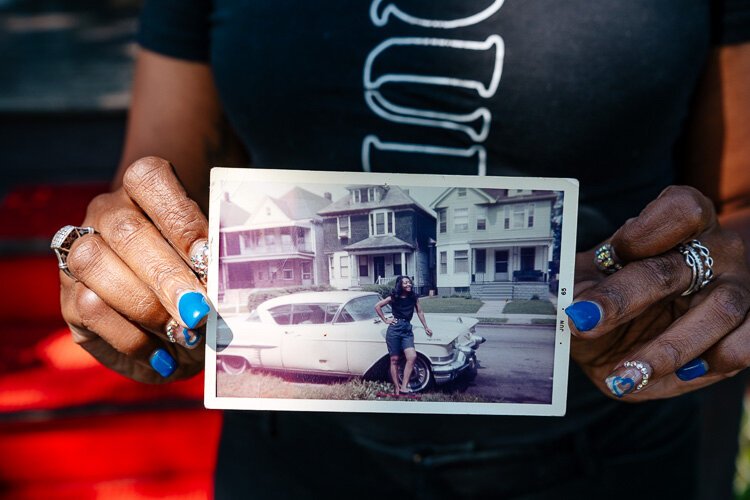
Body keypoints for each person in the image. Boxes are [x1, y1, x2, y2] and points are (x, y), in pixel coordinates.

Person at [53, 1, 750, 498]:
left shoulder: (412, 293)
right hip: (287, 463)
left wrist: (706, 272)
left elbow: (736, 205)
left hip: (614, 450)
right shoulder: (376, 295)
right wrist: (128, 267)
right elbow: (162, 185)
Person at [375, 276, 433, 394]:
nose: (408, 285)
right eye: (405, 283)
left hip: (407, 329)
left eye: (409, 282)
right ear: (400, 285)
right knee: (394, 359)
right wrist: (385, 320)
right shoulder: (393, 297)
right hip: (394, 330)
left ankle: (404, 386)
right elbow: (377, 306)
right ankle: (397, 387)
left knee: (412, 356)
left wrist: (426, 326)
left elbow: (420, 311)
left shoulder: (413, 297)